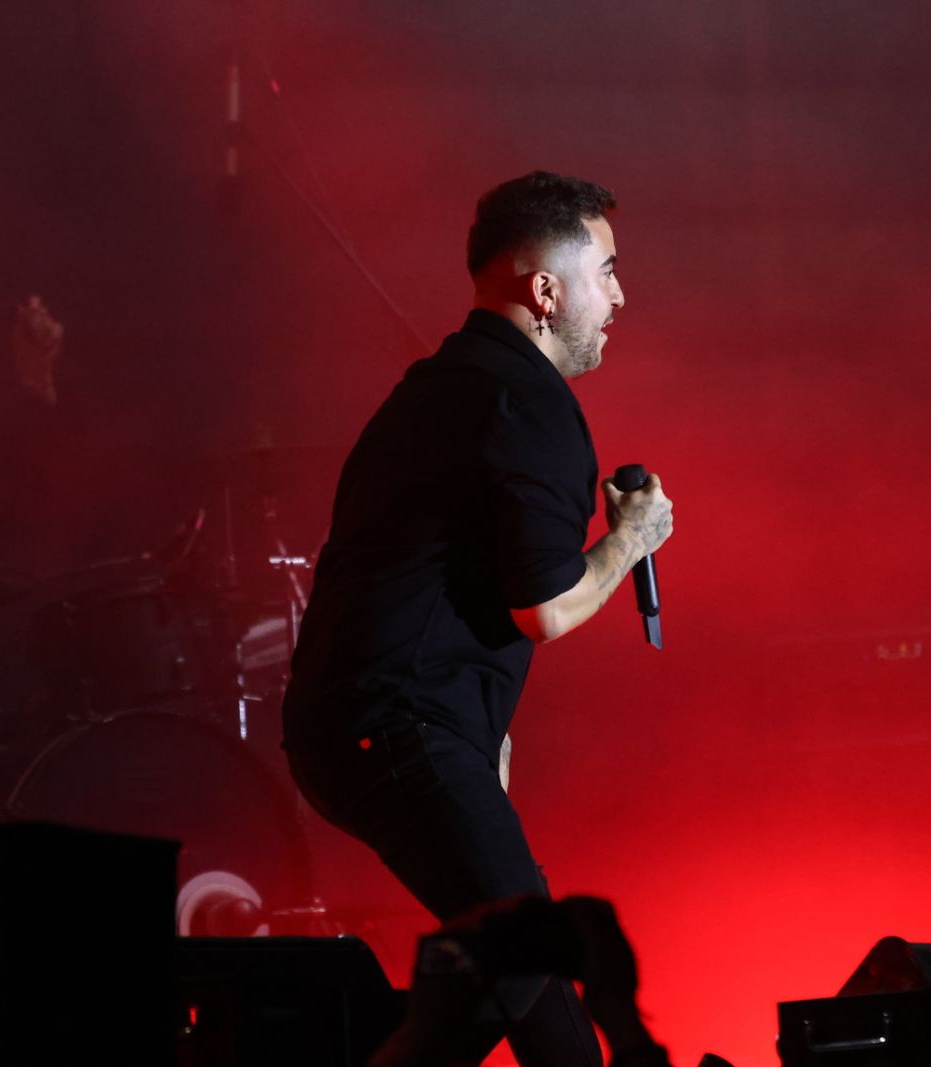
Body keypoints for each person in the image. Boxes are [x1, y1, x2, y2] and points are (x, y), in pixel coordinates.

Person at [281, 171, 673, 1067]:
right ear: (546, 290)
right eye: (606, 271)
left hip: (369, 727)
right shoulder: (529, 404)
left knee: (501, 979)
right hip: (400, 726)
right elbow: (541, 605)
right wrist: (632, 538)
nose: (619, 294)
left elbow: (437, 582)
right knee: (533, 970)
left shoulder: (435, 388)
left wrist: (480, 736)